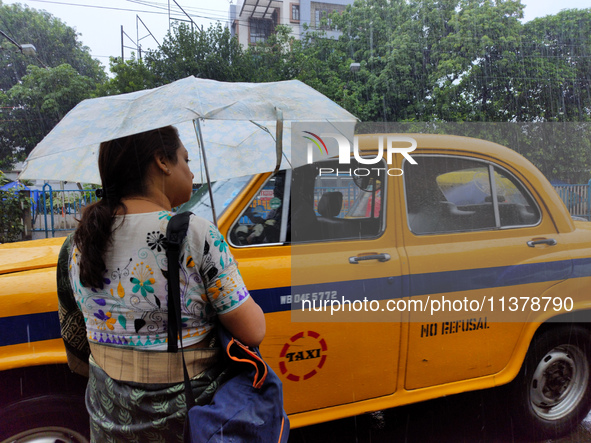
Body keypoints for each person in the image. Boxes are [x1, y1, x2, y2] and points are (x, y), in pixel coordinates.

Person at [56, 125, 266, 442]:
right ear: (162, 162)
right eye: (186, 159)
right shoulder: (196, 234)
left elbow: (77, 344)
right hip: (185, 423)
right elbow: (253, 331)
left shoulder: (76, 242)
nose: (192, 172)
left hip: (109, 420)